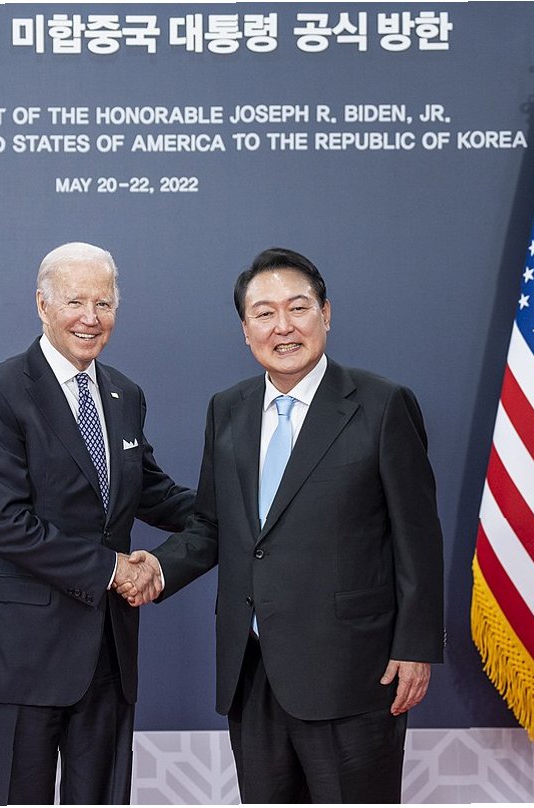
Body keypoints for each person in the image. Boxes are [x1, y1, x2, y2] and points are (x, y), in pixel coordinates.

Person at [120, 247, 444, 803]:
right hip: (252, 671)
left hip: (352, 672)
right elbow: (213, 525)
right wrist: (158, 567)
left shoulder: (382, 404)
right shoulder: (228, 408)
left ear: (326, 314)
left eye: (298, 308)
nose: (283, 326)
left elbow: (418, 536)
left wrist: (415, 645)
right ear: (246, 329)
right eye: (265, 313)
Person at [0, 241, 194, 805]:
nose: (91, 318)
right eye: (75, 302)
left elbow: (148, 491)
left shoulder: (124, 393)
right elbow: (4, 522)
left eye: (103, 304)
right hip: (21, 656)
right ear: (42, 305)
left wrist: (243, 511)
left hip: (107, 652)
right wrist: (114, 569)